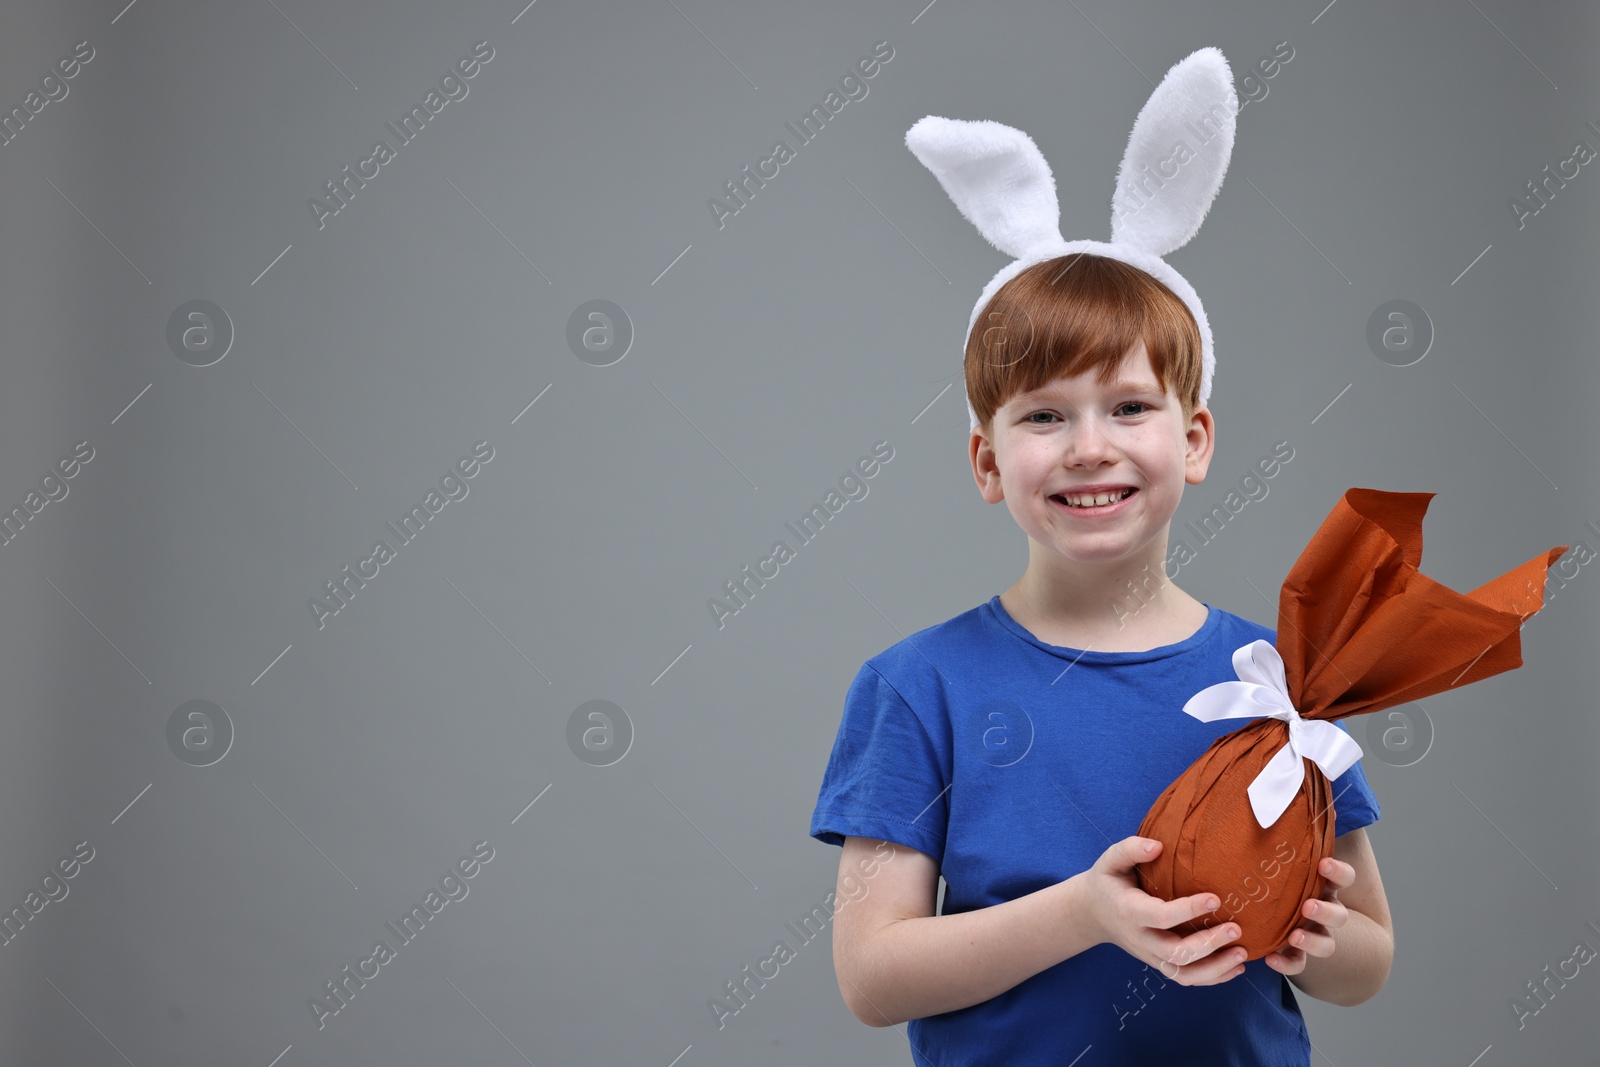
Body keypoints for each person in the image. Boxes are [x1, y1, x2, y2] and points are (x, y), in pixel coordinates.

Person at [808, 247, 1395, 1064]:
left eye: (1128, 406)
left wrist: (1318, 938)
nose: (1089, 447)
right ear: (987, 459)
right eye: (1045, 416)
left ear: (1193, 440)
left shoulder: (1277, 676)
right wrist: (1083, 913)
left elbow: (1370, 956)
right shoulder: (916, 686)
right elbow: (871, 973)